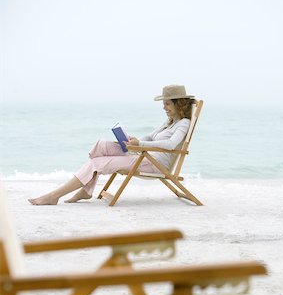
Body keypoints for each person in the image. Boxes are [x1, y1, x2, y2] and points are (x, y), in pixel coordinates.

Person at [28, 85, 195, 205]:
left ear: (178, 104)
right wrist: (133, 140)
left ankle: (54, 196)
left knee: (96, 163)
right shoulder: (169, 122)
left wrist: (140, 144)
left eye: (167, 103)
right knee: (101, 145)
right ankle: (86, 190)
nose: (163, 107)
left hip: (153, 164)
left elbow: (171, 144)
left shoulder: (184, 123)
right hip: (144, 156)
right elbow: (151, 137)